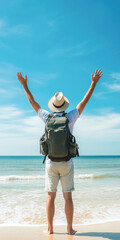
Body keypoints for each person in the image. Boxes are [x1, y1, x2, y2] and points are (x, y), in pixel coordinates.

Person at [16, 69, 103, 235]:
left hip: (50, 163)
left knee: (51, 197)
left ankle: (50, 229)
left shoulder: (46, 117)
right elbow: (84, 102)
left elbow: (32, 101)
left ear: (52, 105)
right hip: (67, 163)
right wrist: (93, 83)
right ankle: (70, 229)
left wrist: (24, 85)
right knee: (68, 197)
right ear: (64, 105)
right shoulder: (70, 117)